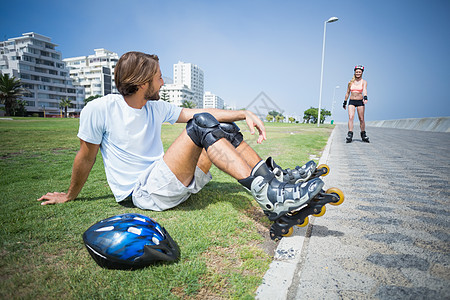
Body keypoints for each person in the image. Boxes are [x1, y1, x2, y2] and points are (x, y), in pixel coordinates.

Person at [38, 51, 324, 222]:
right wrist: (69, 195)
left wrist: (244, 113)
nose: (164, 82)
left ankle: (276, 181)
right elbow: (85, 158)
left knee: (221, 128)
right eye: (159, 77)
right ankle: (269, 197)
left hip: (170, 181)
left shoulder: (153, 107)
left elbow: (198, 111)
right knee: (202, 125)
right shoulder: (99, 109)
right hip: (144, 192)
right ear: (141, 83)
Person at [343, 65, 369, 143]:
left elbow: (364, 90)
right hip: (351, 101)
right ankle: (350, 134)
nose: (358, 73)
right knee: (351, 117)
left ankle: (363, 134)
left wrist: (365, 97)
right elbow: (347, 93)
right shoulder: (350, 82)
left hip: (360, 101)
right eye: (357, 72)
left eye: (359, 72)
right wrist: (344, 102)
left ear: (361, 73)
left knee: (361, 119)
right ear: (355, 72)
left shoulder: (364, 82)